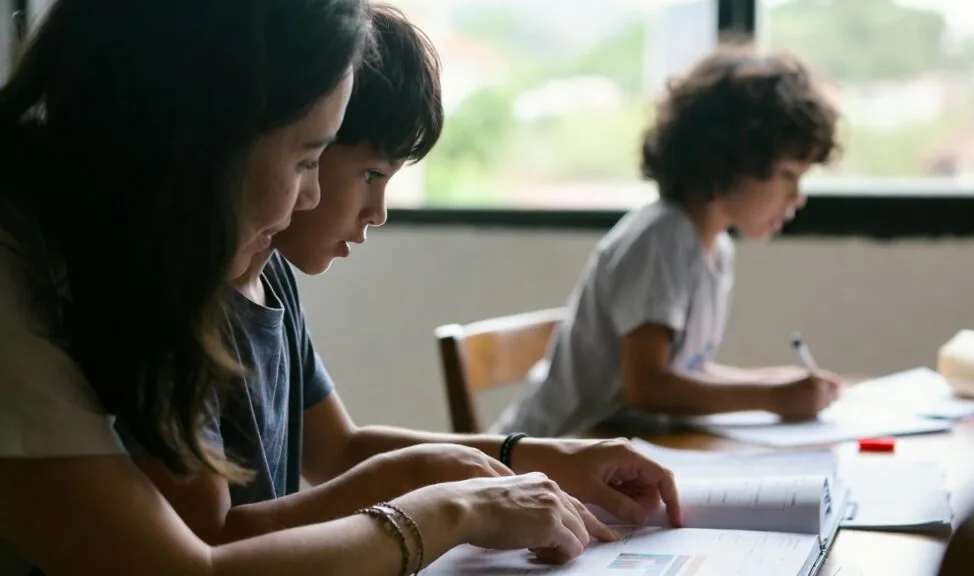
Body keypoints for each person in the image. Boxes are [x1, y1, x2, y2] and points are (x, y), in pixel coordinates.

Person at [0, 1, 658, 575]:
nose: (307, 197)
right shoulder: (89, 277)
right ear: (206, 136)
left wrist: (516, 463)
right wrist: (442, 506)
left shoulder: (127, 250)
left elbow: (333, 448)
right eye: (308, 157)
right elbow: (197, 555)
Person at [492, 45, 845, 438]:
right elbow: (649, 386)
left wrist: (774, 382)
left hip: (615, 450)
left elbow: (684, 371)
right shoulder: (661, 238)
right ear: (730, 160)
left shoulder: (714, 248)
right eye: (788, 174)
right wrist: (770, 396)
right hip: (556, 455)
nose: (798, 197)